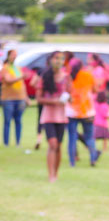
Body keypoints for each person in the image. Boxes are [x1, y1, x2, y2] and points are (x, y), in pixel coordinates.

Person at [37, 51, 69, 183]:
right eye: (56, 58)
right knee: (52, 144)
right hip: (48, 115)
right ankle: (51, 175)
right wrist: (54, 101)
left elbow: (71, 93)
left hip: (61, 116)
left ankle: (56, 173)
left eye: (61, 58)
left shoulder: (66, 77)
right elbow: (39, 98)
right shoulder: (44, 76)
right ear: (51, 60)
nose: (59, 60)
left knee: (59, 146)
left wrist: (68, 98)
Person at [66, 58, 100, 167]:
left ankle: (72, 162)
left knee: (72, 137)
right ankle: (93, 158)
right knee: (89, 137)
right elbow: (95, 90)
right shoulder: (88, 75)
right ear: (81, 66)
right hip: (87, 111)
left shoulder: (68, 77)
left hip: (72, 112)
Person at [1, 49, 28, 146]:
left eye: (15, 55)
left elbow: (22, 84)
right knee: (7, 121)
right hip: (8, 99)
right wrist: (21, 77)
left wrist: (26, 97)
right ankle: (6, 143)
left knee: (18, 120)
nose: (14, 56)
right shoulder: (5, 68)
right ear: (8, 56)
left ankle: (18, 142)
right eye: (12, 55)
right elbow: (8, 80)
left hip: (20, 98)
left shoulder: (18, 68)